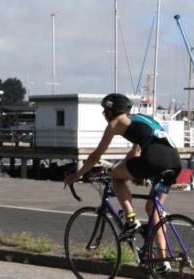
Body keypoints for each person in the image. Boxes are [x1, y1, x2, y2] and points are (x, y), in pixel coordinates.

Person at [63, 93, 182, 264]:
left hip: (154, 162)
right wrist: (123, 165)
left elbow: (96, 156)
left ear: (112, 111)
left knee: (115, 177)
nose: (104, 114)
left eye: (105, 110)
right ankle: (162, 260)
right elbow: (135, 153)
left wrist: (77, 175)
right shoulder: (140, 119)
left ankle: (131, 219)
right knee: (153, 209)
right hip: (174, 163)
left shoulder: (115, 123)